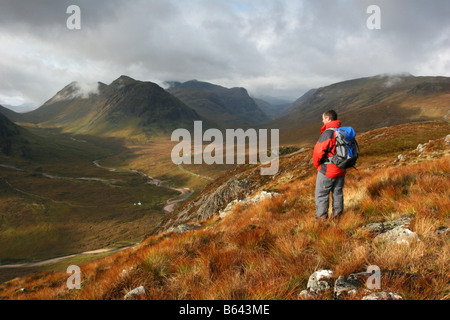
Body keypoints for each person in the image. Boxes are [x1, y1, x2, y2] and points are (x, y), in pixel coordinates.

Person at [312, 110, 346, 220]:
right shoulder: (342, 131)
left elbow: (318, 152)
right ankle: (338, 218)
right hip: (341, 168)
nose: (322, 121)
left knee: (321, 194)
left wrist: (317, 165)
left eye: (323, 118)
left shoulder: (327, 133)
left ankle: (322, 221)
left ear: (328, 119)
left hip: (328, 170)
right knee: (338, 193)